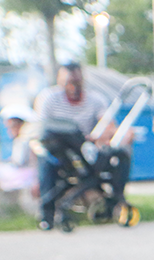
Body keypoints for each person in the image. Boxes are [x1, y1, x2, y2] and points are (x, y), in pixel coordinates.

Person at [32, 62, 129, 231]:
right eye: (68, 82)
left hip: (87, 148)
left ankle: (115, 202)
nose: (73, 87)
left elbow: (108, 125)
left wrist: (105, 134)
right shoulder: (49, 98)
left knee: (121, 154)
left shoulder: (95, 99)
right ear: (60, 81)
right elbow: (41, 129)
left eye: (76, 82)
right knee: (46, 160)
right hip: (59, 150)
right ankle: (47, 214)